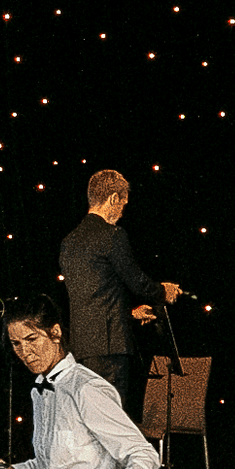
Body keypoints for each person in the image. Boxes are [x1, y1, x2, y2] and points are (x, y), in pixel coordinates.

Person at [4, 295, 159, 469]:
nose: (25, 352)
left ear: (55, 333)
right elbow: (56, 465)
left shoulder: (86, 388)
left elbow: (143, 453)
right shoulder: (40, 389)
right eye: (16, 343)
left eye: (32, 339)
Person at [57, 168, 181, 417]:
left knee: (86, 418)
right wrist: (162, 292)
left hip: (80, 348)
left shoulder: (69, 241)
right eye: (123, 203)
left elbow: (92, 296)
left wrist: (129, 313)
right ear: (113, 198)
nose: (123, 210)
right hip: (110, 349)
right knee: (111, 421)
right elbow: (137, 282)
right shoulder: (112, 235)